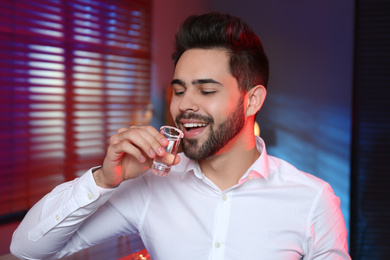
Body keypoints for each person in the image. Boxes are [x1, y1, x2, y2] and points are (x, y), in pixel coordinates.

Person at [10, 12, 350, 259]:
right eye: (179, 90)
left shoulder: (312, 200)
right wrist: (103, 179)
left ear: (252, 100)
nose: (184, 105)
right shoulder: (151, 188)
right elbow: (26, 248)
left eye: (205, 90)